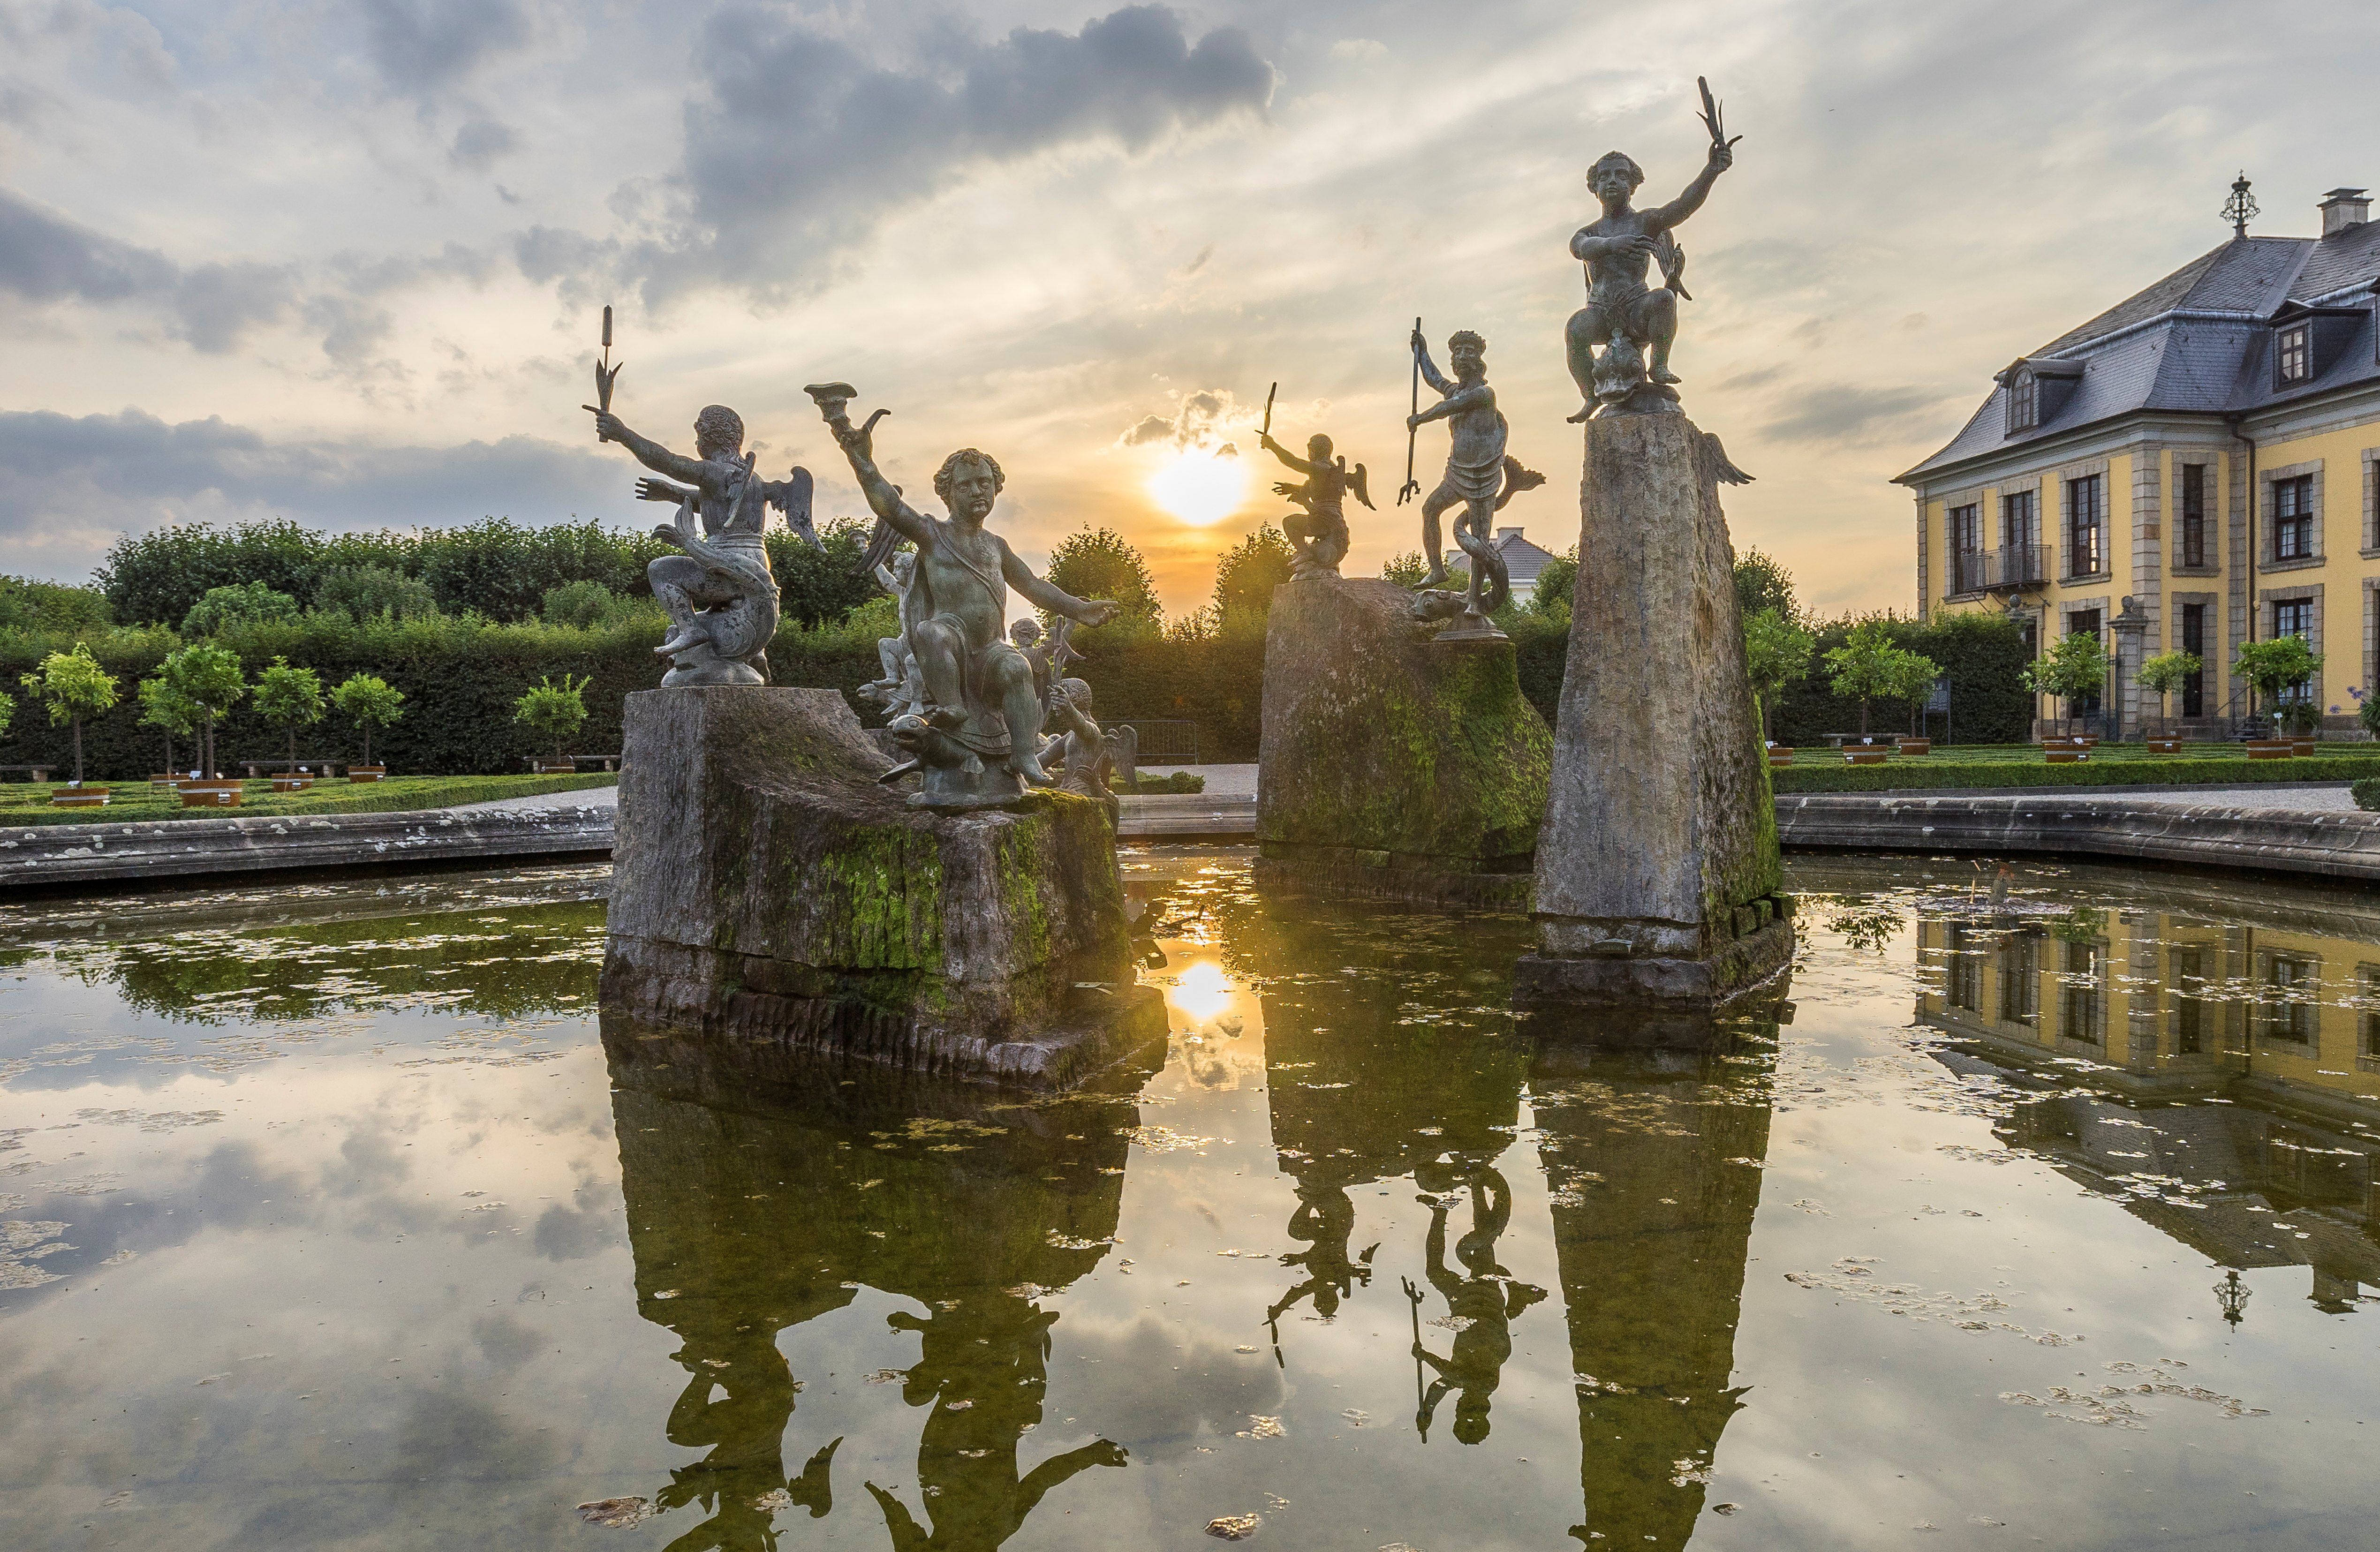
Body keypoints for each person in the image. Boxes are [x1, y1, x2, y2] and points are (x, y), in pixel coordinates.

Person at [818, 405, 1119, 787]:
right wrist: (859, 457)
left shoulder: (997, 545)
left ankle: (1025, 755)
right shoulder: (931, 534)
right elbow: (887, 503)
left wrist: (1079, 608)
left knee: (1017, 668)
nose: (978, 490)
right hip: (953, 640)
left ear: (996, 488)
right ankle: (952, 707)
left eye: (984, 483)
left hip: (990, 649)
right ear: (946, 493)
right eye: (965, 485)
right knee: (931, 631)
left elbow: (1033, 585)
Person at [1564, 136, 1733, 420]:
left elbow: (1682, 206)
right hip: (1601, 311)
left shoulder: (1645, 222)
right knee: (1575, 330)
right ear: (1594, 188)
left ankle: (1658, 365)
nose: (1612, 182)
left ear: (1633, 185)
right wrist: (1614, 244)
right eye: (1604, 177)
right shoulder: (1590, 231)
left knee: (1664, 298)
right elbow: (1580, 249)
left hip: (1636, 307)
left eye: (1621, 175)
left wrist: (1711, 171)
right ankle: (1590, 394)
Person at [1256, 428, 1371, 579]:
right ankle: (1308, 554)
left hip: (1324, 519)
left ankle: (1304, 553)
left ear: (1314, 449)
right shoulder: (1330, 471)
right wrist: (1292, 488)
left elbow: (1292, 462)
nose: (1308, 453)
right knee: (1300, 530)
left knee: (1290, 522)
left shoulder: (1319, 468)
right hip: (1331, 519)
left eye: (1309, 448)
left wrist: (1272, 445)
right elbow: (1313, 491)